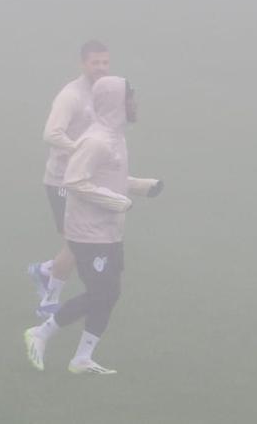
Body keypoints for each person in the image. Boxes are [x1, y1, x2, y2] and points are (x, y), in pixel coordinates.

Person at [24, 76, 163, 375]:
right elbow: (74, 181)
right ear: (116, 103)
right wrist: (117, 201)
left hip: (109, 230)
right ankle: (41, 333)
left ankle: (82, 358)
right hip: (88, 233)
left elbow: (109, 179)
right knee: (101, 292)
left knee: (110, 293)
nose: (134, 104)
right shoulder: (96, 140)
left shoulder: (116, 137)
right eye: (130, 99)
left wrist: (142, 186)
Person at [26, 40, 112, 317]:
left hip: (88, 178)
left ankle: (45, 271)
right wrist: (82, 150)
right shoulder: (71, 95)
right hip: (63, 180)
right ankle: (48, 300)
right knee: (77, 243)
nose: (100, 68)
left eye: (105, 62)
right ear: (83, 64)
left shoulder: (106, 92)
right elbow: (51, 134)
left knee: (82, 240)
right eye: (95, 63)